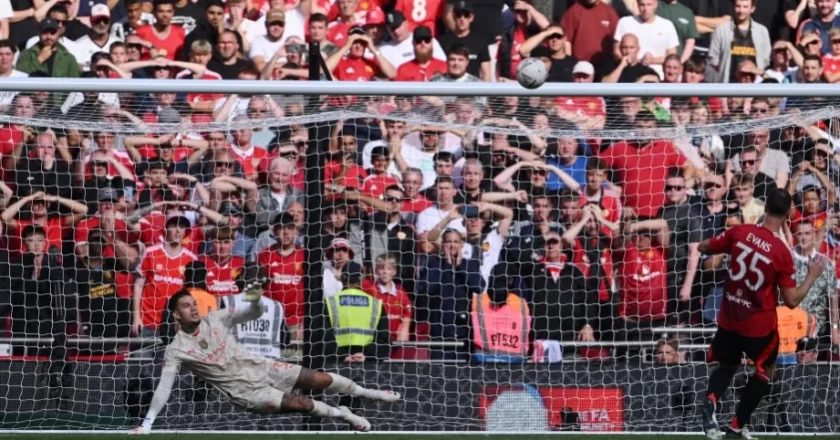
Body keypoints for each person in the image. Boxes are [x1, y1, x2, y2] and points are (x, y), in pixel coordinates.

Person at [130, 280, 401, 434]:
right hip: (246, 392)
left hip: (264, 367)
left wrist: (256, 299)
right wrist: (148, 423)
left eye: (193, 304)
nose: (193, 308)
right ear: (176, 315)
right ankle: (344, 415)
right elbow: (165, 387)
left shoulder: (216, 318)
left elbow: (253, 314)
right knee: (303, 404)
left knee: (319, 378)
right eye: (186, 306)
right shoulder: (176, 348)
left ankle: (369, 393)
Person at [698, 188, 827, 440]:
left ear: (765, 206)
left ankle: (711, 401)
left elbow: (705, 247)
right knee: (764, 372)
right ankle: (736, 426)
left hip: (729, 318)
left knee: (726, 366)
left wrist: (724, 249)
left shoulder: (739, 232)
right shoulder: (781, 253)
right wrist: (811, 276)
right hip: (758, 325)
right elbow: (791, 301)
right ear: (788, 214)